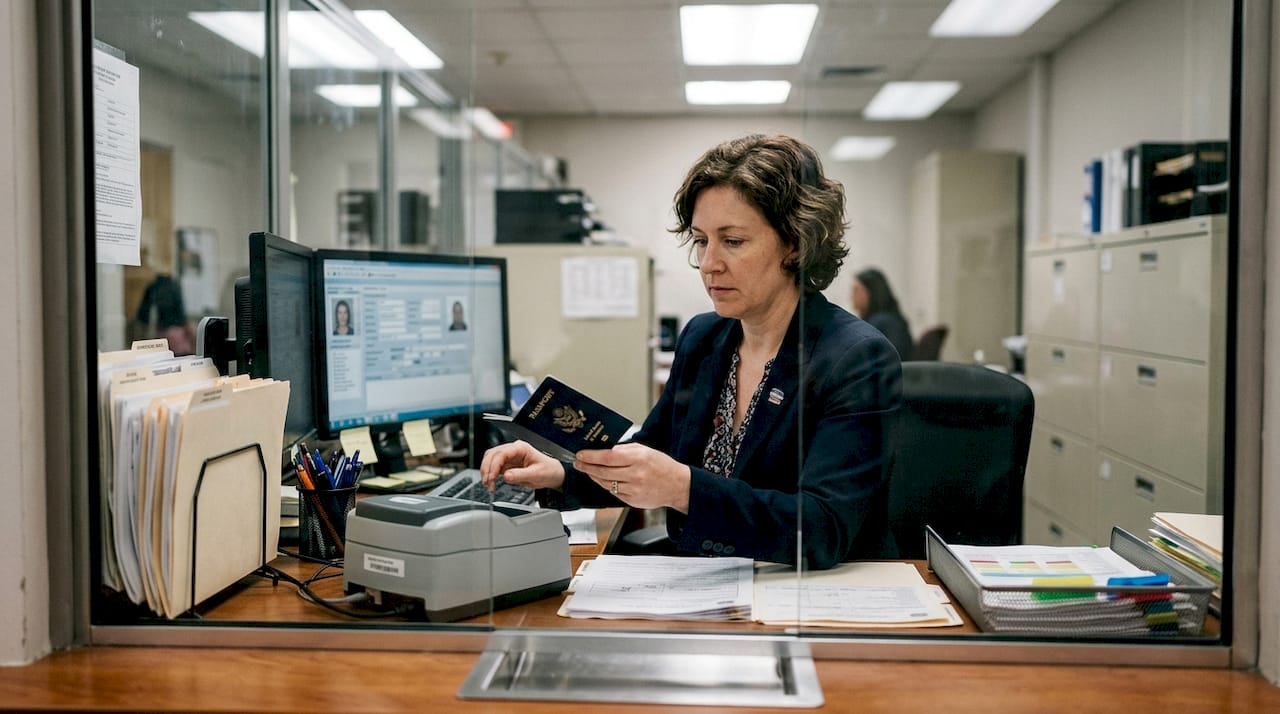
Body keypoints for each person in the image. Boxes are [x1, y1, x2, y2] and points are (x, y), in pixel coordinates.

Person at [481, 134, 901, 569]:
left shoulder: (856, 359)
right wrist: (561, 474)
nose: (708, 262)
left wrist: (683, 488)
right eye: (701, 240)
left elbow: (822, 527)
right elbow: (652, 454)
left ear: (795, 244)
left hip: (807, 589)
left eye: (732, 241)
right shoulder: (704, 338)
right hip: (708, 578)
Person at [852, 267, 913, 360]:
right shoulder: (889, 318)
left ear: (871, 292)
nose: (852, 296)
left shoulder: (882, 322)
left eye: (856, 291)